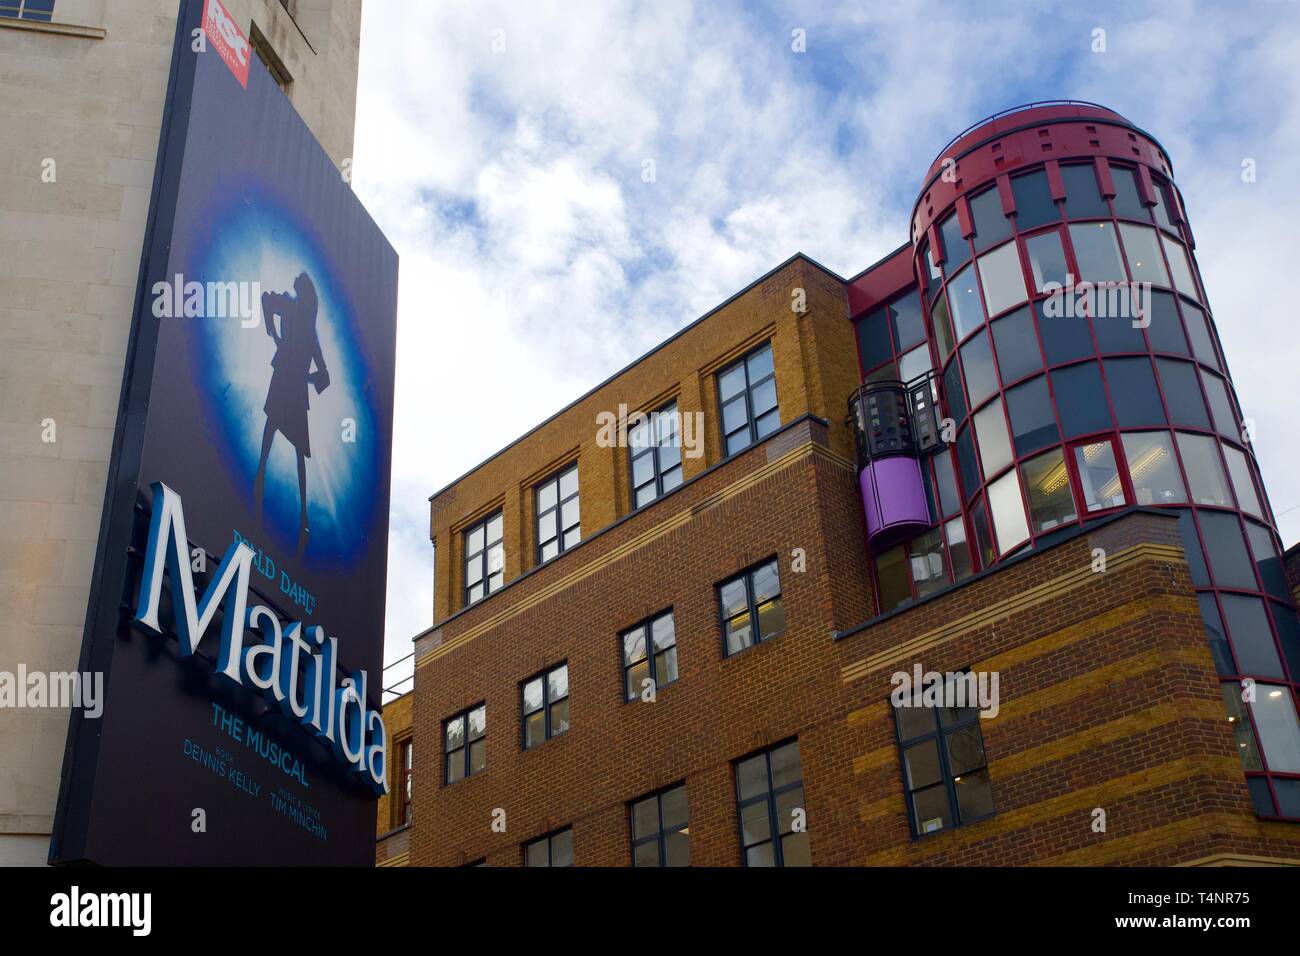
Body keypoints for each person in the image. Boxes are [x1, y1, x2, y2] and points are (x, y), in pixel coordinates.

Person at [253, 271, 329, 551]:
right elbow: (266, 300)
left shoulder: (305, 324)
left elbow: (323, 375)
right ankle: (262, 476)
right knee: (275, 430)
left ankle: (302, 514)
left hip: (291, 383)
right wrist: (273, 334)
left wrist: (275, 337)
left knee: (282, 436)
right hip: (289, 381)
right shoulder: (300, 316)